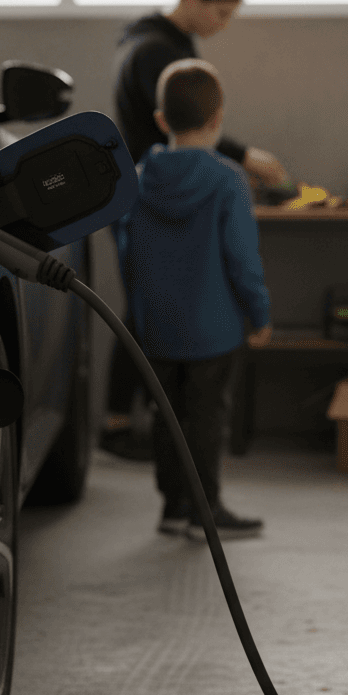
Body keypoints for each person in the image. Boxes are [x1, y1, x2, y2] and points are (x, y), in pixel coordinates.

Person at [103, 0, 291, 459]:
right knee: (154, 317)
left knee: (148, 308)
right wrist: (244, 156)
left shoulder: (154, 43)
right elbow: (192, 126)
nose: (223, 25)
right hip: (161, 197)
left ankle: (149, 435)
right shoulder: (153, 52)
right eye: (222, 13)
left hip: (146, 192)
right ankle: (128, 425)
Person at [115, 58, 273, 540]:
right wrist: (260, 313)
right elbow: (242, 258)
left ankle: (174, 508)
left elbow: (128, 254)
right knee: (208, 420)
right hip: (215, 329)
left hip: (157, 328)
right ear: (217, 119)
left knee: (168, 419)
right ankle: (208, 511)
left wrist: (139, 314)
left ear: (162, 120)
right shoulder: (228, 181)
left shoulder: (137, 180)